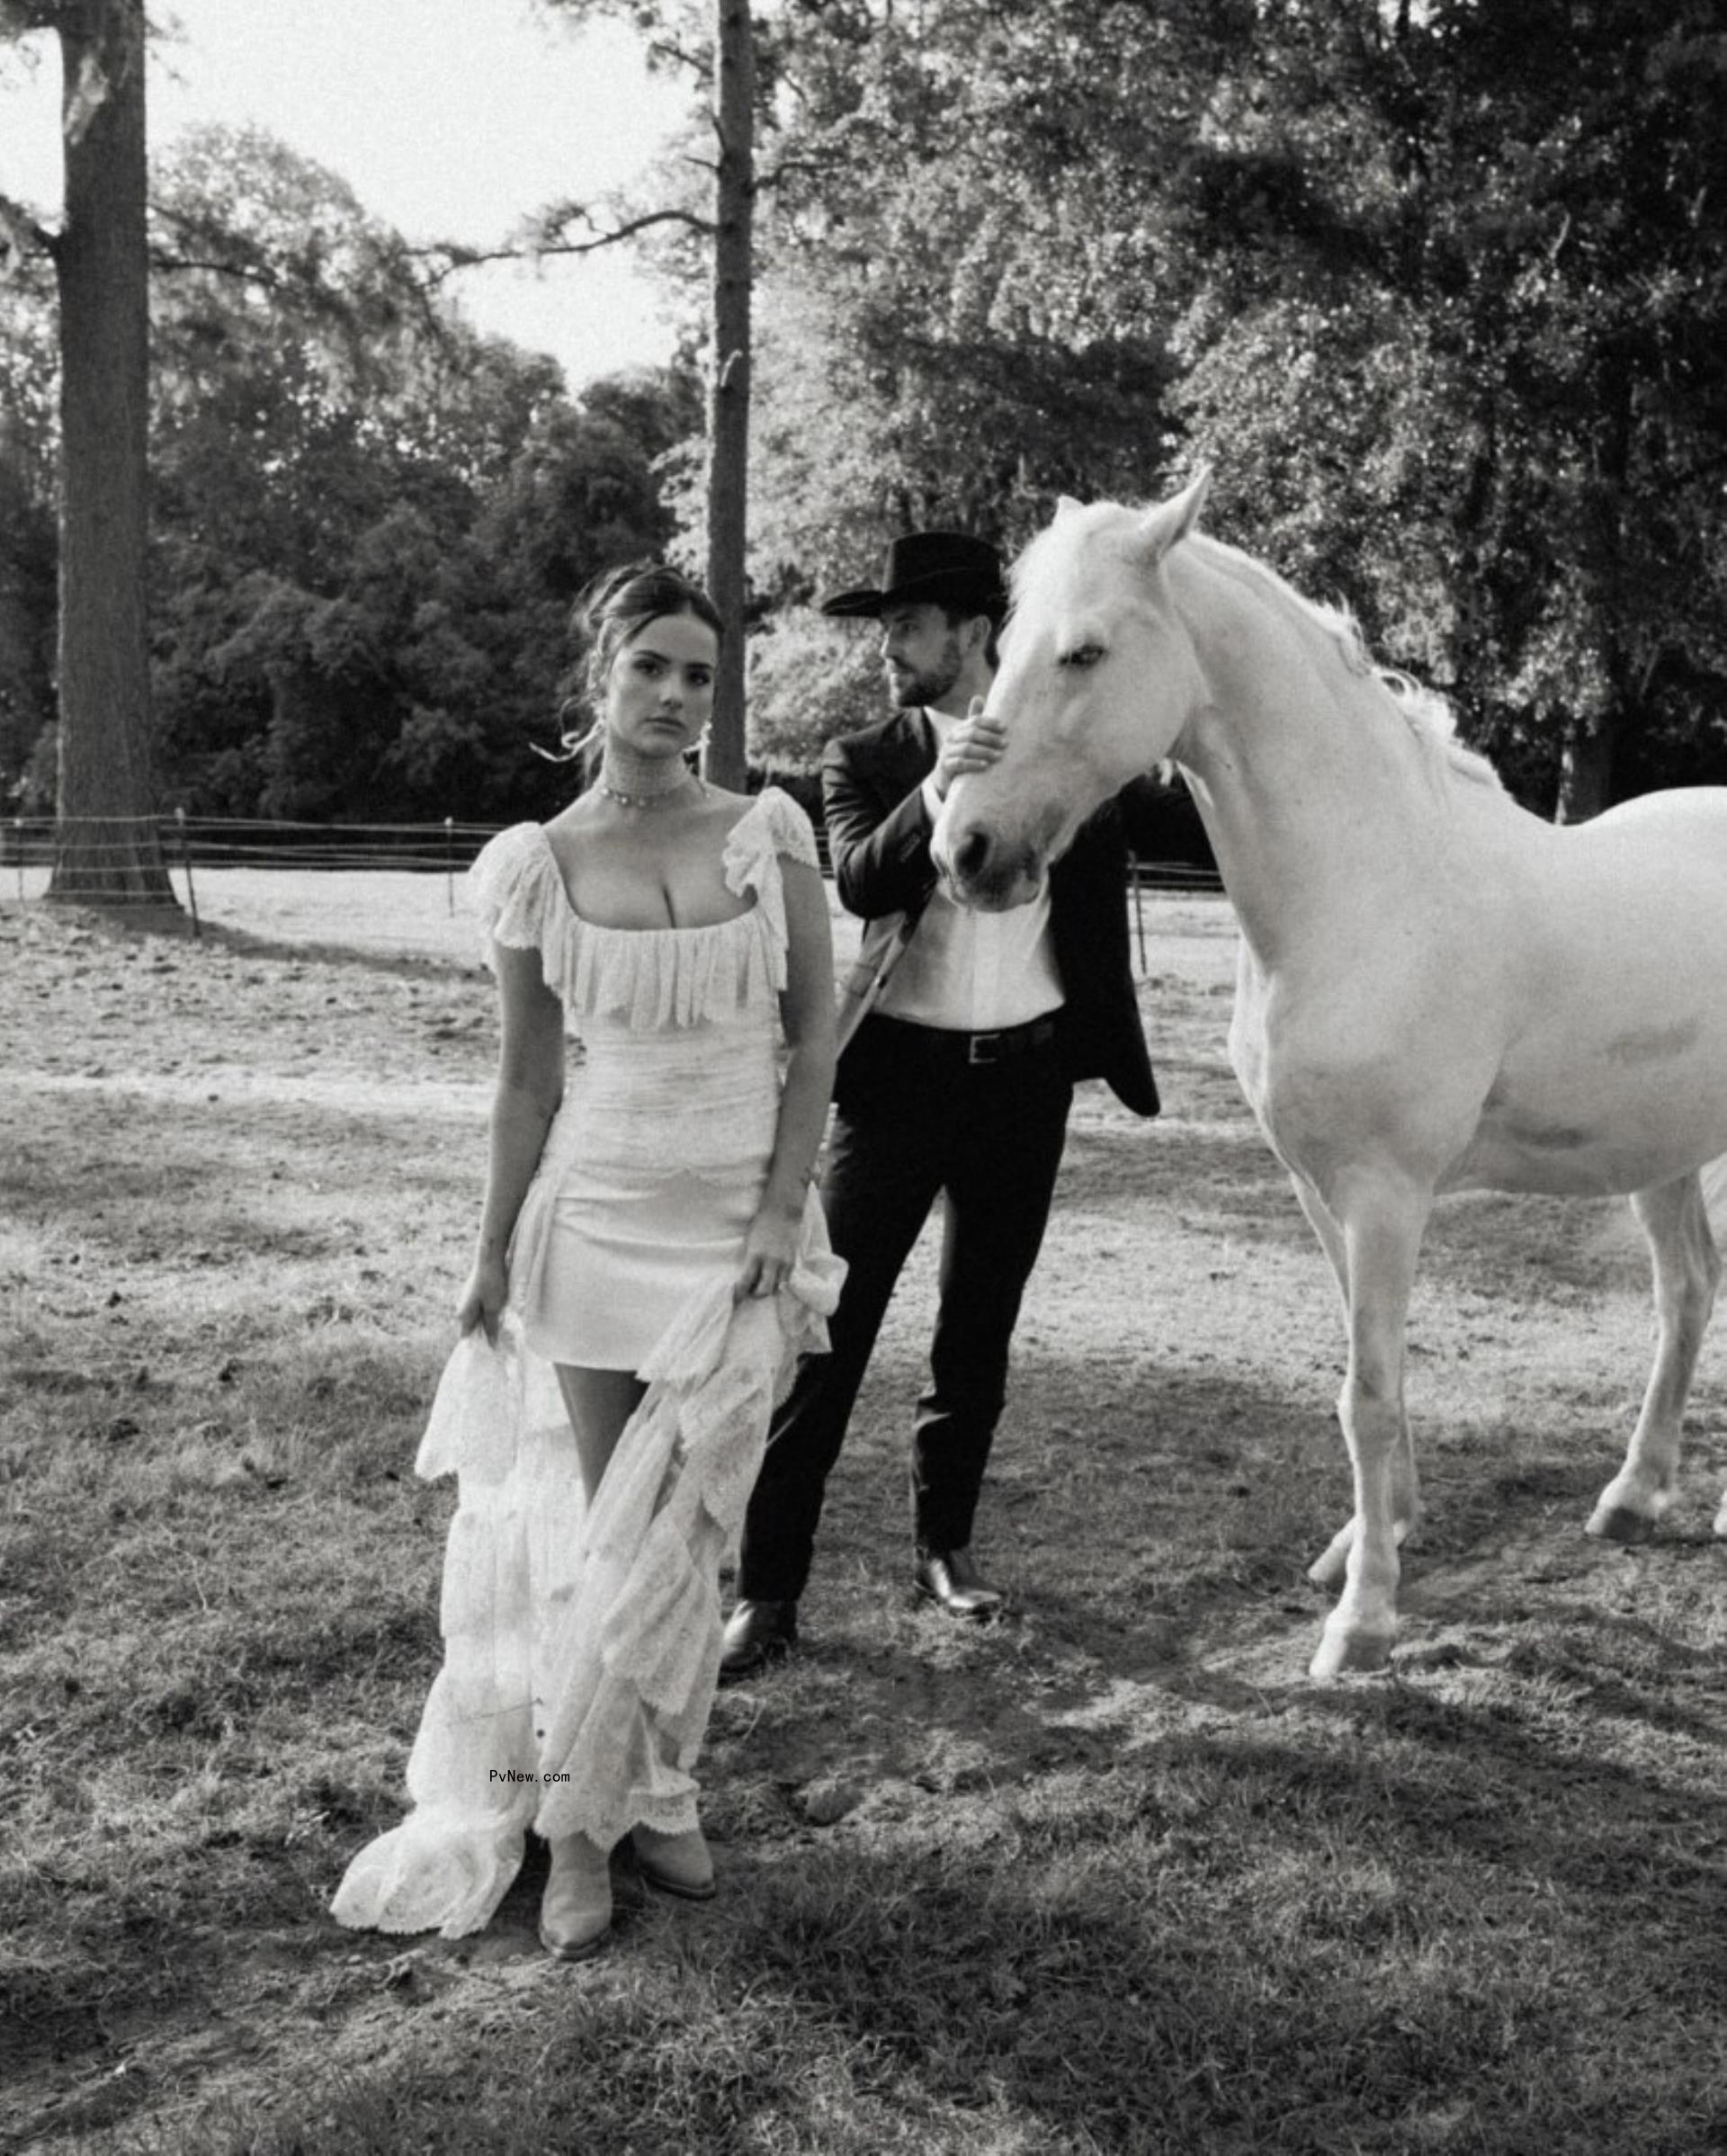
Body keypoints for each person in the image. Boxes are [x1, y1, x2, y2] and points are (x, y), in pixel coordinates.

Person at [332, 563, 842, 1961]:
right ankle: (579, 1829)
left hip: (737, 1234)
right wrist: (489, 1252)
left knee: (691, 1535)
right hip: (593, 1230)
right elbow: (524, 1082)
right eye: (651, 668)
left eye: (699, 675)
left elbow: (815, 1039)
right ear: (600, 678)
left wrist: (780, 1213)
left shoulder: (770, 833)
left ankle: (650, 1789)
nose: (676, 696)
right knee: (615, 1546)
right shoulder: (536, 864)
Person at [720, 531, 1212, 1676]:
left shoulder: (1079, 747)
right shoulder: (866, 757)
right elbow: (859, 879)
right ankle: (768, 1590)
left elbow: (1205, 823)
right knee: (825, 1338)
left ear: (974, 633)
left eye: (906, 626)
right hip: (892, 1085)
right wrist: (944, 784)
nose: (887, 648)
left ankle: (945, 1549)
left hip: (1025, 1085)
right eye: (887, 630)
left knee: (977, 1332)